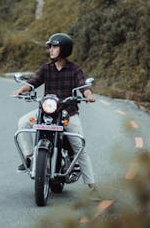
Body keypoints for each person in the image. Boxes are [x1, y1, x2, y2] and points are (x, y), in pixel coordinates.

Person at [13, 32, 98, 193]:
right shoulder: (46, 69)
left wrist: (88, 95)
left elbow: (83, 86)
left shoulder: (74, 69)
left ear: (64, 49)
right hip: (47, 111)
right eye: (50, 47)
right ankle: (30, 159)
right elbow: (33, 82)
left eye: (54, 46)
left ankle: (92, 187)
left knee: (79, 145)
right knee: (23, 122)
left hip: (68, 112)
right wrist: (21, 90)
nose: (51, 50)